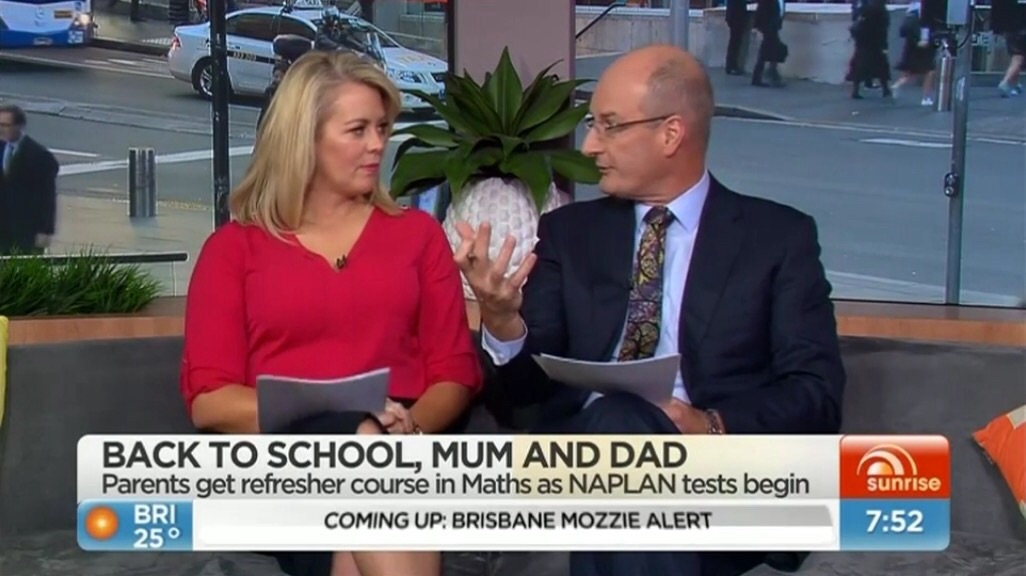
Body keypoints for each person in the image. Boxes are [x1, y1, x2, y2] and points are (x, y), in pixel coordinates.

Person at [455, 44, 845, 576]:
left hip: (715, 472)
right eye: (592, 125)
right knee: (618, 419)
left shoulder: (777, 239)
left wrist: (709, 424)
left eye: (610, 126)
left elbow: (816, 392)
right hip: (575, 462)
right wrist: (502, 322)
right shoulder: (569, 233)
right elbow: (520, 396)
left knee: (625, 449)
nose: (590, 146)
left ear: (671, 133)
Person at [181, 50, 483, 576]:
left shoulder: (418, 237)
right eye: (357, 130)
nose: (377, 144)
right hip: (280, 456)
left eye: (382, 128)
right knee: (360, 449)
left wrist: (404, 432)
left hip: (401, 447)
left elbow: (455, 373)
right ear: (305, 139)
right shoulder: (233, 250)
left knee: (367, 488)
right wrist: (355, 425)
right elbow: (210, 401)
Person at [0, 103, 59, 256]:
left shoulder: (39, 156)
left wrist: (46, 230)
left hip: (26, 230)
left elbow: (47, 197)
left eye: (5, 125)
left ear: (19, 126)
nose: (1, 129)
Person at [849, 0, 892, 99]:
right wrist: (884, 45)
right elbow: (883, 29)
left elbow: (855, 17)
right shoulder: (881, 10)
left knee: (859, 64)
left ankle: (856, 90)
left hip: (862, 40)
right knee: (881, 65)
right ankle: (885, 89)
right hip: (876, 41)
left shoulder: (864, 7)